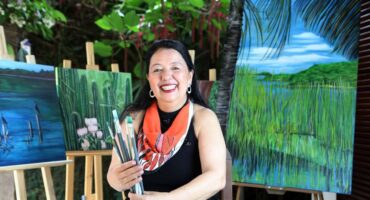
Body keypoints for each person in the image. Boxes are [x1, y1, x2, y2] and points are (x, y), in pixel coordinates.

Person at [107, 39, 226, 200]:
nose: (166, 76)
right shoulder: (133, 118)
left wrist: (168, 198)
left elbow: (216, 178)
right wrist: (118, 179)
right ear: (149, 78)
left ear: (190, 76)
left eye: (175, 68)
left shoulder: (204, 118)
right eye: (157, 70)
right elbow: (113, 175)